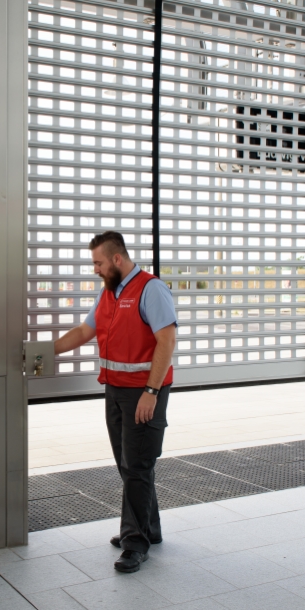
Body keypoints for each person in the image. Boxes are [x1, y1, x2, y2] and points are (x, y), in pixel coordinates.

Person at [54, 231, 177, 573]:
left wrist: (151, 392)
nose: (95, 269)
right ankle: (148, 529)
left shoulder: (150, 289)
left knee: (136, 466)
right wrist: (43, 352)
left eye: (98, 262)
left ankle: (134, 542)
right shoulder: (109, 293)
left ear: (117, 260)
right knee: (129, 464)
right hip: (115, 389)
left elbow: (167, 340)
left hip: (143, 392)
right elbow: (84, 331)